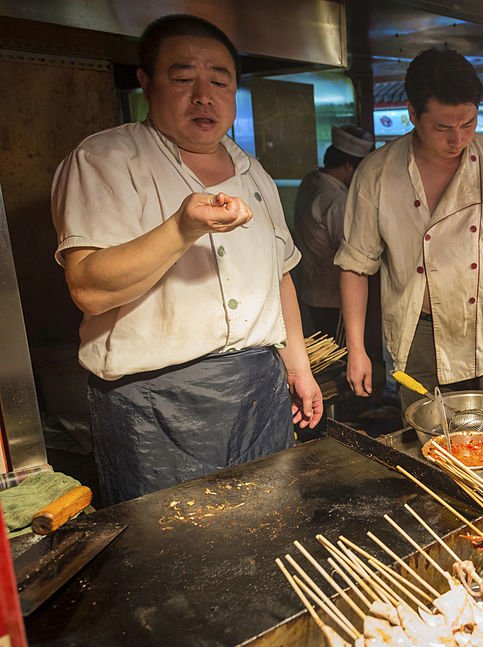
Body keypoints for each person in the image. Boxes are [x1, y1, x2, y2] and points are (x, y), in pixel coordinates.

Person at [51, 14, 322, 504]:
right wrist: (182, 228)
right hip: (156, 403)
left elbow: (278, 275)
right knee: (170, 556)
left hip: (258, 387)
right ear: (146, 83)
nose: (204, 95)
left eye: (219, 81)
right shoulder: (103, 161)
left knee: (270, 530)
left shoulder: (252, 171)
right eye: (182, 79)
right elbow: (89, 290)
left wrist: (298, 368)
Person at [336, 48, 483, 411]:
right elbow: (356, 264)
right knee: (427, 444)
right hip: (419, 335)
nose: (458, 139)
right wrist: (357, 350)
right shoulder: (377, 173)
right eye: (443, 127)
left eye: (469, 124)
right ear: (413, 114)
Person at [293, 124, 373, 339]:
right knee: (339, 355)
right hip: (333, 295)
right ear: (349, 166)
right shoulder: (337, 200)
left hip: (312, 289)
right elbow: (352, 249)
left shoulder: (310, 182)